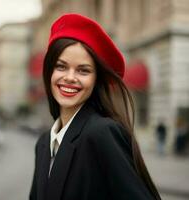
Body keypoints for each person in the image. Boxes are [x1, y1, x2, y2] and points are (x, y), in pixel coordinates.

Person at [29, 14, 161, 200]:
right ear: (49, 71)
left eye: (83, 70)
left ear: (95, 80)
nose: (70, 77)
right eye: (61, 67)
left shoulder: (102, 132)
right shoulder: (43, 144)